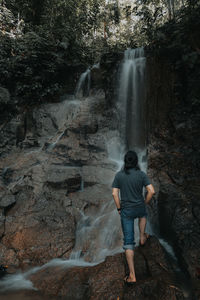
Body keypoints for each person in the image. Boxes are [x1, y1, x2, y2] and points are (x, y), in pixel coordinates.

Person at [112, 150, 155, 284]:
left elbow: (114, 194)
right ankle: (142, 237)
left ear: (125, 161)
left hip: (127, 211)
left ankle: (132, 276)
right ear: (136, 161)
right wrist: (145, 202)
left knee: (129, 242)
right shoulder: (141, 175)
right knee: (143, 215)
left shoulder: (119, 176)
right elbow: (151, 191)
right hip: (139, 208)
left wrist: (119, 208)